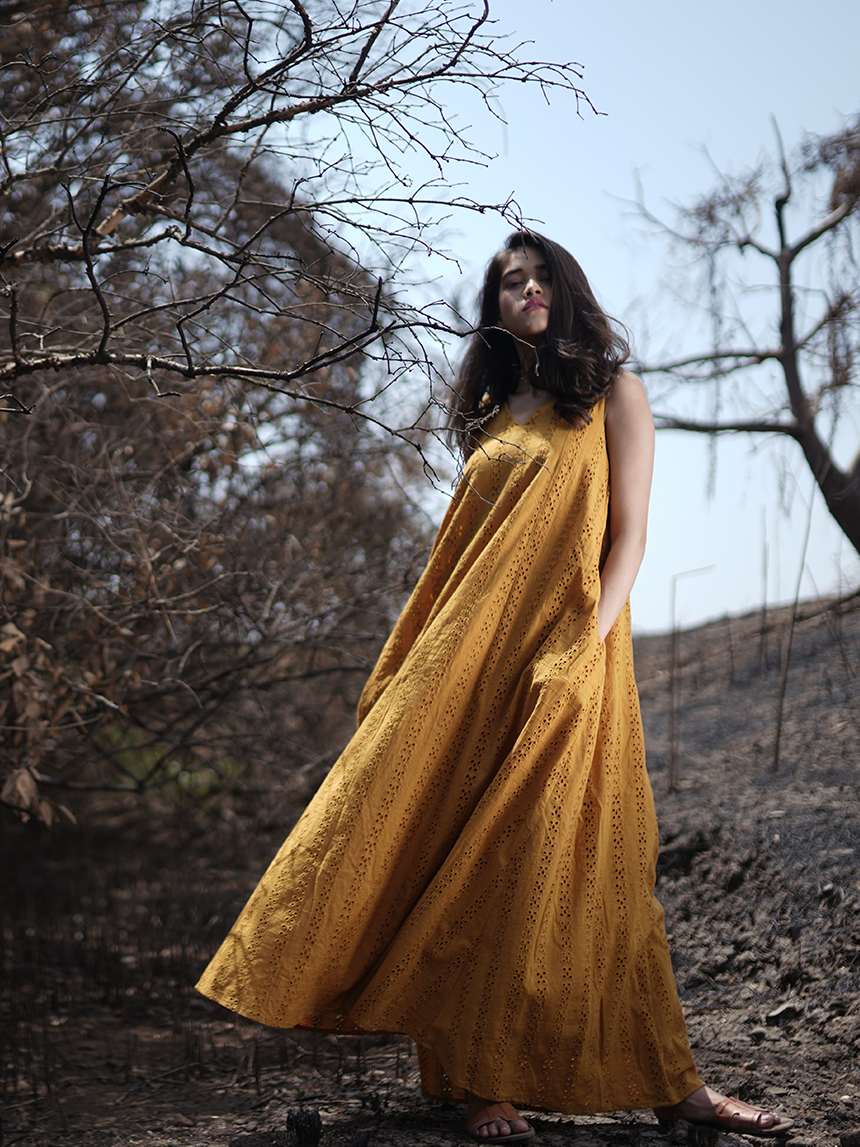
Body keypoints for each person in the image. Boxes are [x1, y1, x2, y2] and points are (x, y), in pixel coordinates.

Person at [196, 232, 793, 1141]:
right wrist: (406, 668)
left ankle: (680, 1087)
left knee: (599, 864)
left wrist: (583, 647)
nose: (529, 289)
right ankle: (482, 1081)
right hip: (468, 661)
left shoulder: (611, 395)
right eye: (512, 281)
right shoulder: (491, 414)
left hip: (570, 653)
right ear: (496, 305)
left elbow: (629, 535)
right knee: (460, 853)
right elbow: (458, 561)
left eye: (543, 273)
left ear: (570, 285)